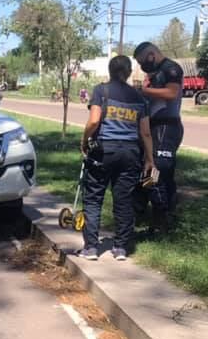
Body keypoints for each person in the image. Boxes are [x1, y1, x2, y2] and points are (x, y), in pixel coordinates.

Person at [78, 56, 155, 261]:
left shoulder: (101, 91)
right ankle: (121, 248)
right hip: (130, 153)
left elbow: (94, 121)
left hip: (103, 151)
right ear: (129, 72)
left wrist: (84, 140)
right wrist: (150, 159)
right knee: (124, 200)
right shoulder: (140, 98)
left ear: (110, 71)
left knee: (94, 198)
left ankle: (91, 248)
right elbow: (145, 133)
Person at [133, 41, 184, 231]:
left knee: (158, 170)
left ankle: (162, 219)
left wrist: (143, 91)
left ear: (152, 54)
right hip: (153, 126)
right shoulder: (154, 73)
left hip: (166, 127)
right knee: (146, 166)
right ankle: (141, 212)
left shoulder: (172, 69)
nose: (142, 66)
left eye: (142, 61)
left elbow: (172, 93)